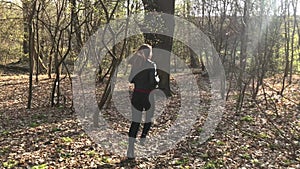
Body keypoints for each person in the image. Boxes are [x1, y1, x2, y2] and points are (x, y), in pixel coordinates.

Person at [126, 44, 159, 159]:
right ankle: (143, 137)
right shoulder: (151, 65)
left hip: (136, 95)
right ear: (148, 53)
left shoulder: (135, 64)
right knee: (149, 118)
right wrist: (157, 80)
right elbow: (153, 82)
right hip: (148, 96)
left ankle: (130, 150)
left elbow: (130, 79)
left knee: (135, 122)